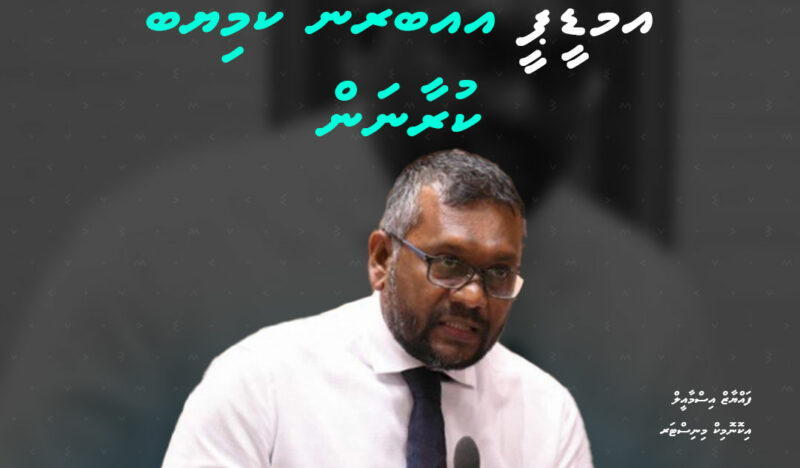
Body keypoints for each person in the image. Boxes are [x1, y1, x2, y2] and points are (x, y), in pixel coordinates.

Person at [162, 149, 593, 467]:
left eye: (498, 273)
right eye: (448, 264)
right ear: (383, 259)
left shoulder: (547, 413)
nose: (473, 297)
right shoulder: (261, 383)